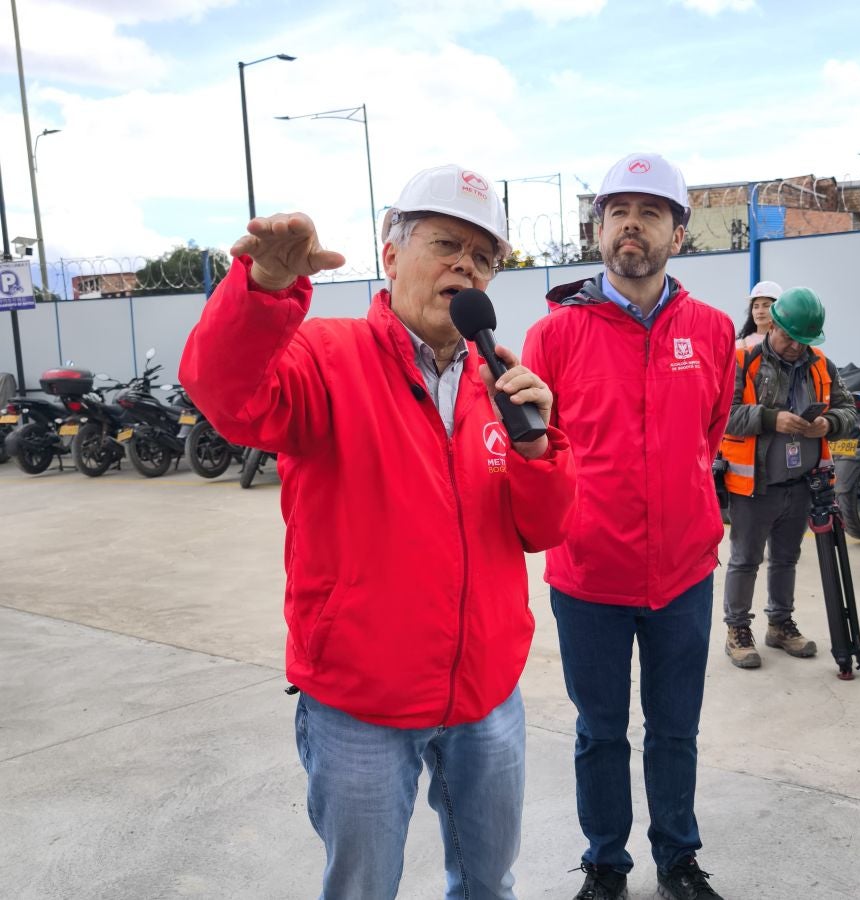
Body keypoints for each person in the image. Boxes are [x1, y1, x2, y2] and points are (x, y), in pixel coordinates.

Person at [178, 164, 577, 900]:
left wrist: (539, 450)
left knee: (490, 883)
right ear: (390, 256)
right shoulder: (325, 358)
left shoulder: (504, 383)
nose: (466, 266)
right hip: (360, 707)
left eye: (483, 257)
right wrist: (263, 293)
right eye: (447, 244)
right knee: (362, 889)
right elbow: (226, 395)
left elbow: (542, 530)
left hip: (486, 698)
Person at [522, 152, 736, 900]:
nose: (631, 227)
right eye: (618, 213)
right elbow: (539, 451)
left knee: (675, 730)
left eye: (650, 213)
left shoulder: (711, 332)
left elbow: (706, 438)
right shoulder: (554, 335)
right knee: (600, 733)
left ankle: (677, 857)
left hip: (682, 573)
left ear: (679, 232)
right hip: (588, 573)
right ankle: (605, 865)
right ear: (600, 230)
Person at [720, 286, 856, 669]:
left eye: (805, 340)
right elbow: (719, 413)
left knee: (786, 558)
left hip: (802, 484)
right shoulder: (742, 360)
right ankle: (737, 630)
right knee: (745, 560)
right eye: (791, 337)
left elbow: (848, 410)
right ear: (773, 325)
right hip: (754, 486)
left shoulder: (820, 364)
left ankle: (779, 624)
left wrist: (827, 424)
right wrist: (769, 418)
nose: (797, 346)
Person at [734, 280, 782, 350]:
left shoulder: (789, 345)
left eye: (766, 306)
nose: (760, 311)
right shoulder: (740, 345)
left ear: (779, 309)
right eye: (756, 307)